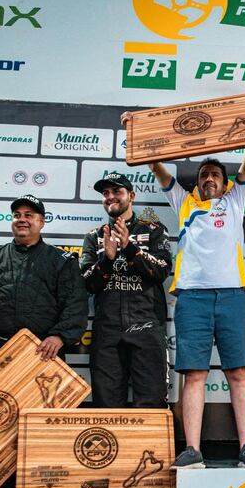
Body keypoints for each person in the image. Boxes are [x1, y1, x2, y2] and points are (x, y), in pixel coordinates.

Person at [122, 109, 245, 469]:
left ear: (225, 181)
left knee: (238, 374)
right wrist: (138, 130)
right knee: (194, 375)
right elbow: (156, 166)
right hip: (192, 298)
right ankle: (193, 450)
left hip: (232, 295)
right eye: (205, 175)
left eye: (216, 174)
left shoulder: (235, 200)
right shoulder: (183, 201)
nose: (211, 178)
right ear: (197, 182)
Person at [0, 194, 88, 364]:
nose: (22, 219)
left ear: (42, 222)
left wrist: (59, 337)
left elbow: (76, 305)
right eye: (17, 215)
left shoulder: (62, 260)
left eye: (29, 215)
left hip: (44, 350)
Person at [81, 172, 173, 408]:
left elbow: (161, 271)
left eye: (116, 191)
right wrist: (108, 260)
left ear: (131, 196)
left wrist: (129, 248)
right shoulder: (94, 237)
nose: (110, 197)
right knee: (107, 406)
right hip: (107, 330)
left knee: (151, 404)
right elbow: (87, 284)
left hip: (147, 326)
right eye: (106, 193)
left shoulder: (154, 230)